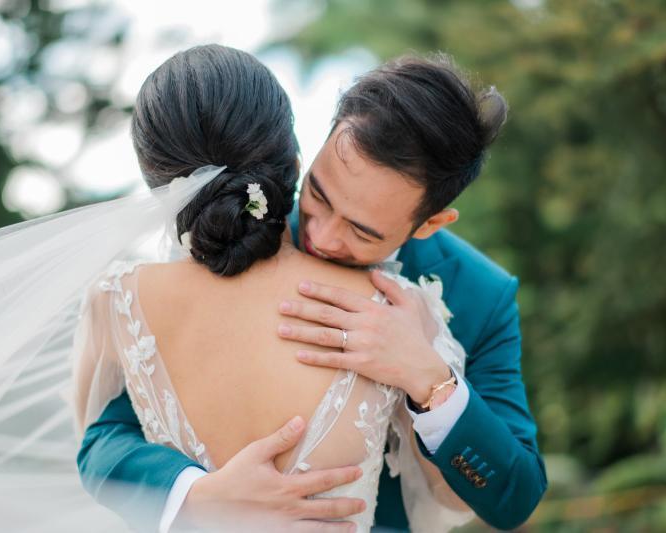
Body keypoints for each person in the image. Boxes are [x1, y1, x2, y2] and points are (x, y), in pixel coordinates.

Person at [77, 52, 548, 531]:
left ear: (431, 223)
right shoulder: (239, 226)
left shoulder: (480, 295)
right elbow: (109, 434)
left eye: (361, 231)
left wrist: (428, 378)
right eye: (318, 194)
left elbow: (515, 498)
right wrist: (198, 495)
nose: (320, 236)